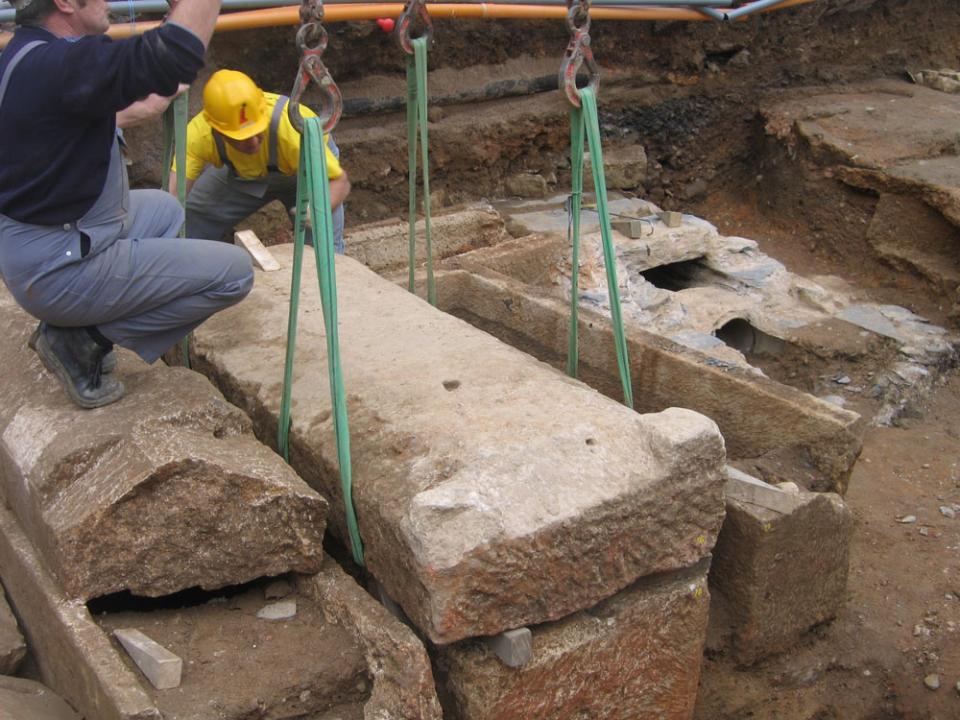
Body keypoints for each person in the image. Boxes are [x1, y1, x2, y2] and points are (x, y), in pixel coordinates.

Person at [0, 0, 254, 409]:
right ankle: (79, 339)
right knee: (235, 275)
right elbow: (169, 56)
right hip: (56, 264)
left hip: (41, 242)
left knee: (165, 210)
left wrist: (157, 85)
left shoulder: (30, 53)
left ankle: (79, 318)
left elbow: (125, 102)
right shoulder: (59, 67)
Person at [169, 69, 351, 252]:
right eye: (242, 137)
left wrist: (317, 212)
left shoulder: (293, 130)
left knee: (326, 252)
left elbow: (338, 181)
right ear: (218, 131)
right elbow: (175, 198)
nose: (253, 142)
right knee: (192, 216)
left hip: (306, 172)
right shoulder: (198, 136)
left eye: (257, 131)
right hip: (244, 175)